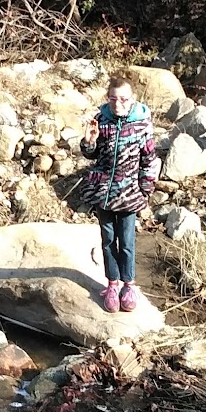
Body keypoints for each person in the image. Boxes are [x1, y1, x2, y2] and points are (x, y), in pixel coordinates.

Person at [79, 74, 159, 311]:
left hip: (129, 193)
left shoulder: (142, 124)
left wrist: (144, 190)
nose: (118, 104)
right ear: (108, 98)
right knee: (107, 241)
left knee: (127, 242)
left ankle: (129, 285)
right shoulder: (100, 120)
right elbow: (91, 155)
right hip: (103, 192)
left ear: (132, 99)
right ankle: (112, 284)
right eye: (113, 99)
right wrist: (89, 142)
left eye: (123, 99)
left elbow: (150, 160)